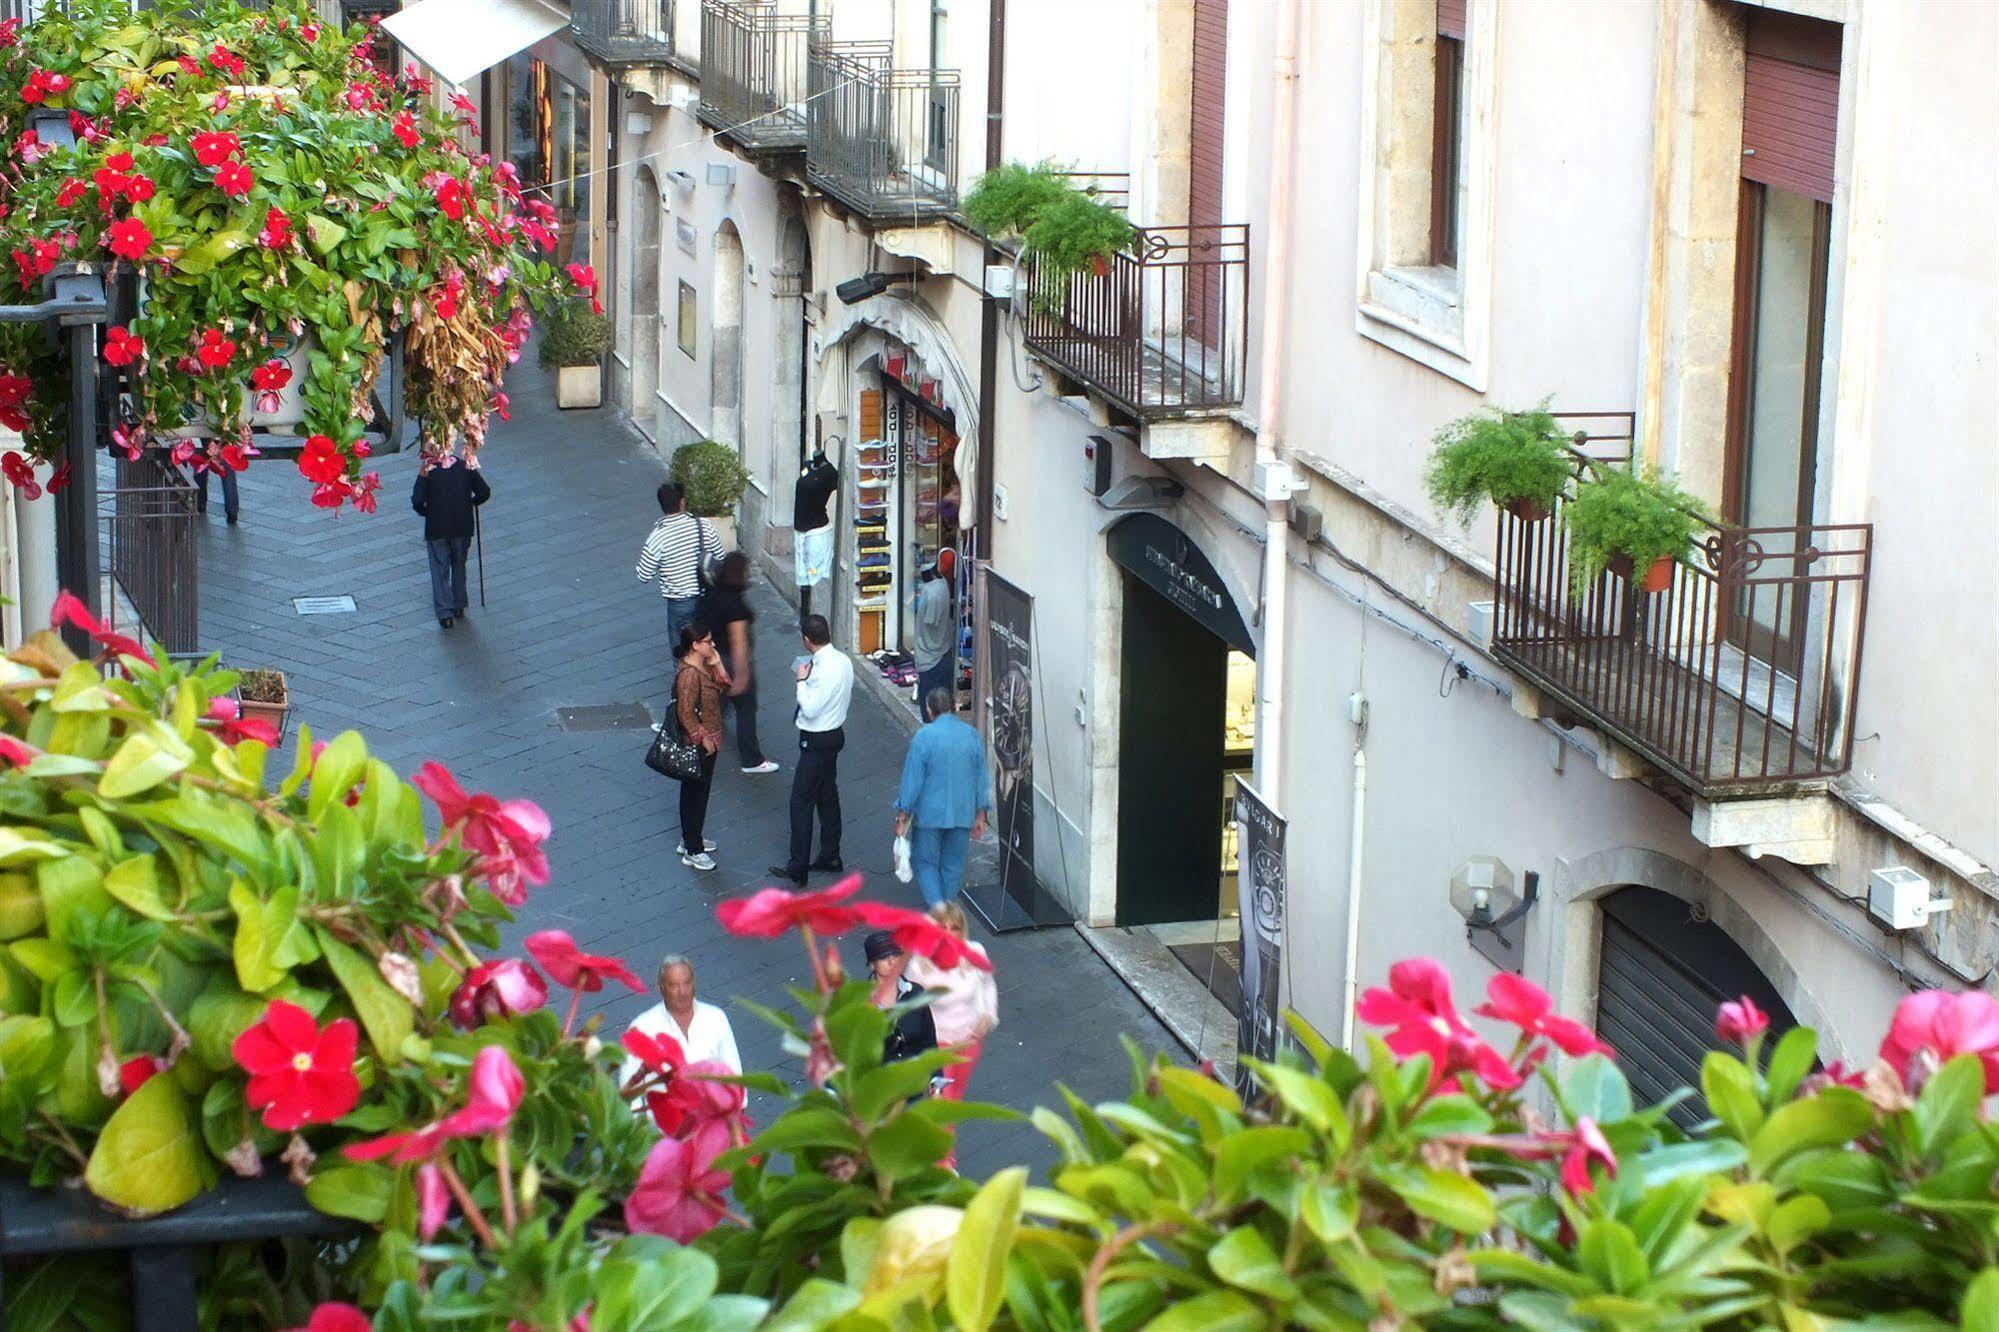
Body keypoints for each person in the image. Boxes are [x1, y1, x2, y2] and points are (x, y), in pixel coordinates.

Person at [770, 614, 853, 886]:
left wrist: (802, 680)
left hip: (816, 740)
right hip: (835, 735)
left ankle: (798, 865)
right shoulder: (842, 660)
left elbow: (810, 707)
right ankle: (830, 854)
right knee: (827, 796)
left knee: (801, 801)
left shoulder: (821, 670)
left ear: (807, 639)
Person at [894, 687, 993, 908]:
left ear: (929, 710)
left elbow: (913, 781)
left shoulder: (924, 737)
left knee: (924, 862)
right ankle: (946, 909)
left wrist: (902, 814)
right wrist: (981, 812)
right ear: (955, 706)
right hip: (962, 811)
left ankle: (938, 910)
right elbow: (981, 778)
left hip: (929, 813)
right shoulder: (972, 736)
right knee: (953, 865)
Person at [904, 902, 996, 1102]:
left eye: (954, 928)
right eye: (941, 928)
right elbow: (909, 1007)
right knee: (942, 1104)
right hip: (938, 1047)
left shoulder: (975, 952)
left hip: (969, 1041)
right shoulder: (919, 967)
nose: (948, 933)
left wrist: (989, 1015)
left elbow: (988, 984)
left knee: (955, 1099)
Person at [699, 552, 779, 775]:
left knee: (716, 702)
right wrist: (742, 676)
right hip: (730, 663)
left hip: (712, 659)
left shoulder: (713, 594)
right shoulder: (736, 606)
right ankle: (751, 759)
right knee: (745, 708)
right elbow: (739, 643)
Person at [620, 954, 742, 1086]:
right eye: (674, 985)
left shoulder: (716, 1018)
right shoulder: (642, 1027)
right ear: (660, 987)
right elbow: (628, 1087)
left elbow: (733, 1073)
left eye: (687, 983)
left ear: (694, 982)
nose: (683, 992)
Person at [672, 621, 729, 871]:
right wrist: (702, 737)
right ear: (695, 645)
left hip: (710, 739)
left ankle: (692, 836)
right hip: (700, 743)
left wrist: (716, 663)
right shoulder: (688, 675)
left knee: (699, 790)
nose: (712, 644)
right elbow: (685, 712)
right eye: (708, 641)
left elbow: (724, 687)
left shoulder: (703, 666)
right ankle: (693, 848)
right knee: (695, 792)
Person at [411, 452, 489, 629]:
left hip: (437, 528)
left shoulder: (428, 470)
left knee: (440, 570)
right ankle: (459, 603)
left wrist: (426, 512)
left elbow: (417, 500)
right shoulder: (466, 466)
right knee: (459, 564)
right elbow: (484, 491)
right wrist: (471, 502)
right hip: (462, 526)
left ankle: (445, 613)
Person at [636, 482, 719, 646]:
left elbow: (643, 575)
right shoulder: (704, 526)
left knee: (682, 654)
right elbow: (719, 558)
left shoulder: (658, 537)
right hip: (708, 598)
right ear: (682, 502)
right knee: (710, 647)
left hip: (679, 603)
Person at [864, 930, 937, 1067]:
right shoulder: (860, 1003)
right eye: (884, 957)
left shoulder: (916, 993)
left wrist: (935, 1078)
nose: (892, 962)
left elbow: (929, 1042)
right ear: (872, 964)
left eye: (895, 955)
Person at [912, 549, 957, 709]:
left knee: (930, 709)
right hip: (941, 653)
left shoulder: (932, 593)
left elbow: (931, 621)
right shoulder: (942, 584)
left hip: (931, 659)